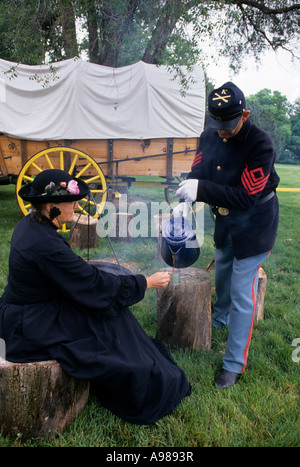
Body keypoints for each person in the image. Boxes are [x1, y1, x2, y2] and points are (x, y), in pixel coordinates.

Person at [0, 168, 191, 424]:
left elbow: (72, 275)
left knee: (107, 313)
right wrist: (145, 282)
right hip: (28, 323)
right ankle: (146, 378)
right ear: (51, 206)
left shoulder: (31, 225)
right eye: (71, 202)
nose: (76, 206)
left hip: (28, 310)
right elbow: (93, 285)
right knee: (106, 321)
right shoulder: (43, 243)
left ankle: (143, 361)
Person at [174, 82, 279, 389]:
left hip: (255, 224)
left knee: (241, 292)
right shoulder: (208, 134)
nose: (221, 132)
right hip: (224, 220)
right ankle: (219, 319)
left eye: (228, 125)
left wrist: (202, 190)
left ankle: (233, 364)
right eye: (217, 124)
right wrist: (185, 199)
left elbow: (246, 197)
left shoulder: (261, 143)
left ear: (244, 115)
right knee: (222, 268)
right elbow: (198, 173)